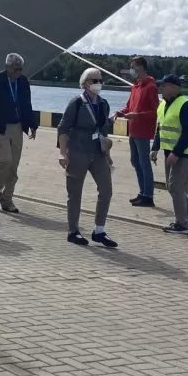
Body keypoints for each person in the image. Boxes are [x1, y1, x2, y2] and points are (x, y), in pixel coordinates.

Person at [57, 67, 117, 247]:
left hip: (97, 152)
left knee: (106, 190)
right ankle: (73, 231)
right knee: (75, 192)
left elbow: (104, 131)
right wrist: (62, 153)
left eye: (100, 80)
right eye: (94, 80)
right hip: (78, 151)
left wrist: (108, 154)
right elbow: (63, 128)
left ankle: (99, 230)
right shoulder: (76, 103)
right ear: (84, 84)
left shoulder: (104, 104)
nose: (98, 83)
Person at [0, 53, 38, 213]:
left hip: (17, 126)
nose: (18, 72)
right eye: (15, 69)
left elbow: (27, 103)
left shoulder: (23, 81)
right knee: (5, 161)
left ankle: (7, 199)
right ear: (7, 67)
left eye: (20, 69)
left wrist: (33, 125)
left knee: (13, 166)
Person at [152, 74, 188, 234]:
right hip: (169, 152)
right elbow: (160, 129)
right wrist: (155, 148)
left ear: (174, 87)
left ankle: (182, 223)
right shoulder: (162, 106)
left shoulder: (186, 106)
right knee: (172, 186)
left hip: (183, 153)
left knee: (175, 186)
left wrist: (176, 152)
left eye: (163, 86)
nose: (160, 89)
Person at [114, 56, 159, 207]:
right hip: (133, 130)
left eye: (133, 67)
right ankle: (142, 192)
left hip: (143, 131)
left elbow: (155, 111)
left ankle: (149, 195)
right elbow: (129, 106)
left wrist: (137, 115)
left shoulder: (151, 87)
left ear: (141, 67)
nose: (132, 70)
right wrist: (120, 113)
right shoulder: (135, 87)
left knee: (144, 162)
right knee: (135, 161)